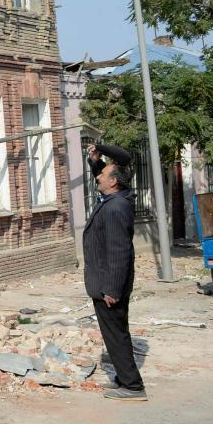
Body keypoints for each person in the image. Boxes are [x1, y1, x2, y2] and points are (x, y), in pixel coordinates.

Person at [83, 142, 147, 400]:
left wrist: (111, 288)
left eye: (103, 174)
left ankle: (132, 386)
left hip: (110, 284)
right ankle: (124, 378)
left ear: (114, 182)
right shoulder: (116, 197)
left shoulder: (116, 207)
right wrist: (96, 160)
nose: (98, 176)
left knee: (117, 334)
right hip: (106, 281)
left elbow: (119, 252)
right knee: (115, 333)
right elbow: (101, 175)